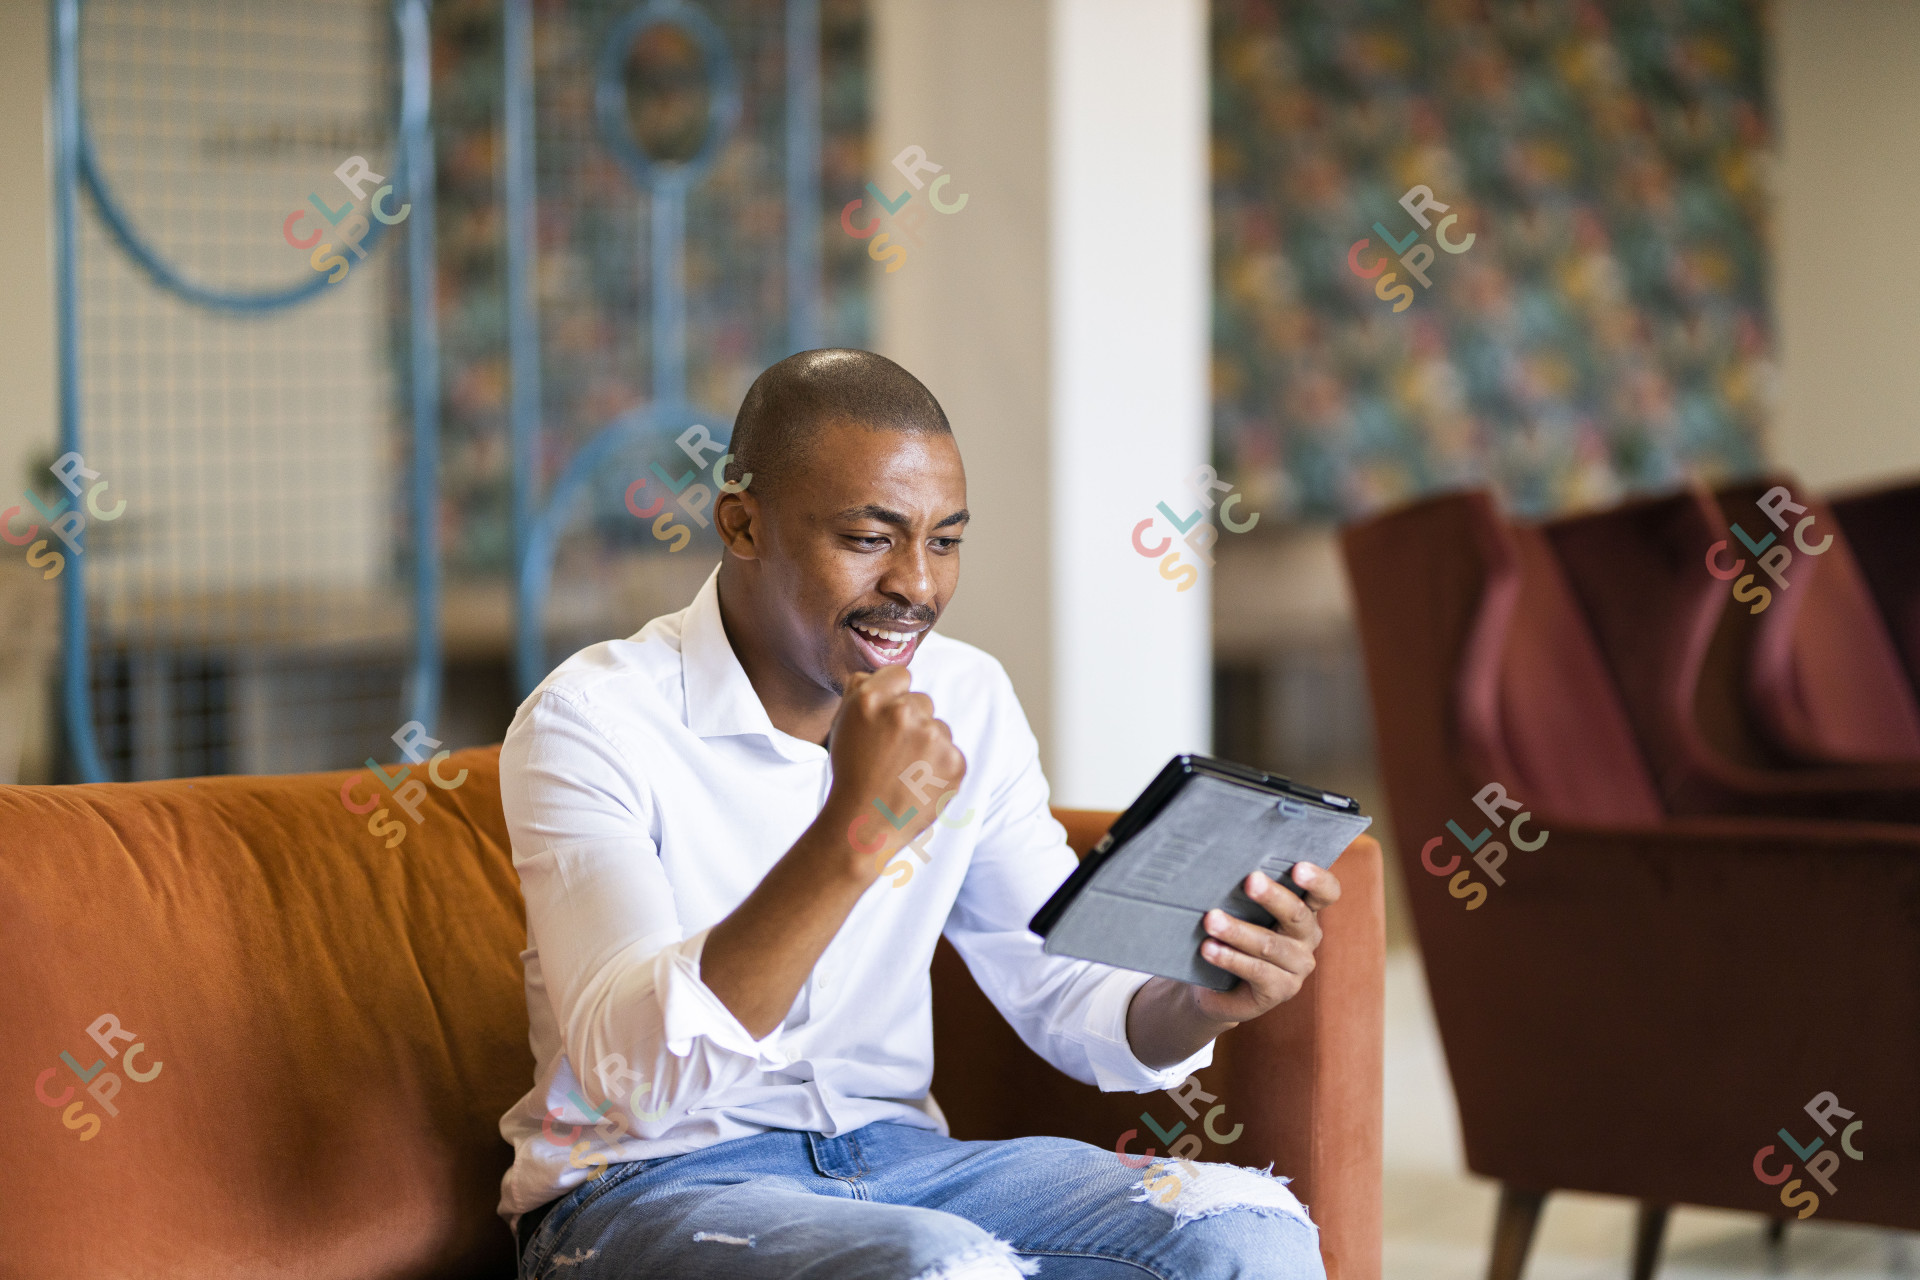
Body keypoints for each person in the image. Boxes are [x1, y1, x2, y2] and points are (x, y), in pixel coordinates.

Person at [497, 349, 1341, 1279]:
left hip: (904, 1165)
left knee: (1247, 1228)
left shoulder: (967, 697)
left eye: (944, 542)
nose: (919, 587)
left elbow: (1063, 984)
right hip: (643, 1187)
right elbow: (636, 1083)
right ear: (742, 523)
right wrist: (857, 832)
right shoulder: (590, 721)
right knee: (937, 1266)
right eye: (870, 538)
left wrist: (1198, 1000)